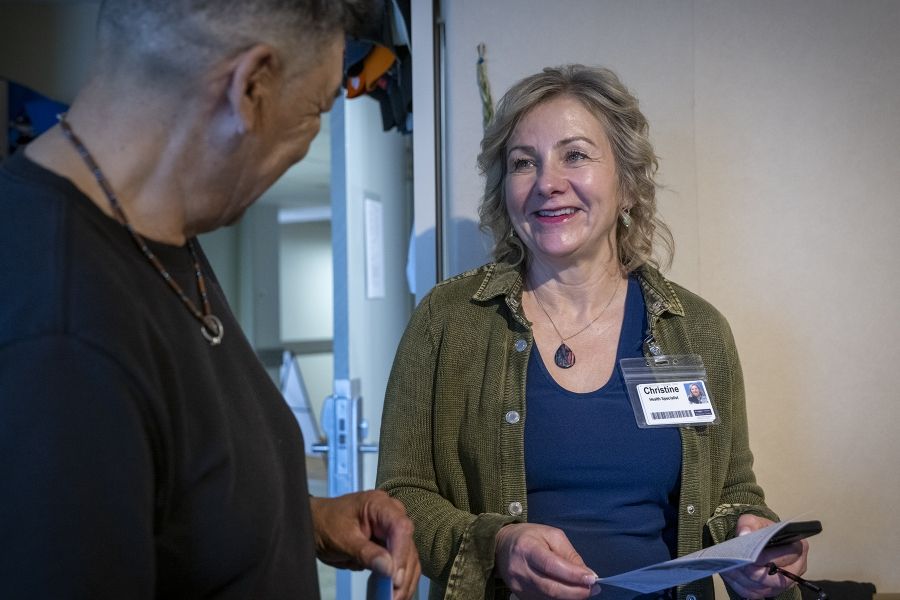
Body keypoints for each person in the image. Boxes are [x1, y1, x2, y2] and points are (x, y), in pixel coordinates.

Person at [0, 1, 420, 598]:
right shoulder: (61, 334)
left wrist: (305, 519)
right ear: (250, 88)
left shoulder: (158, 234)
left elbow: (175, 498)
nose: (307, 141)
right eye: (315, 109)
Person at [376, 65, 809, 600]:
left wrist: (754, 543)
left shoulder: (697, 330)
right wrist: (498, 545)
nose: (547, 182)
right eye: (523, 162)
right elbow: (400, 496)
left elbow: (733, 492)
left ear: (627, 183)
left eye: (575, 155)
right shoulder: (448, 320)